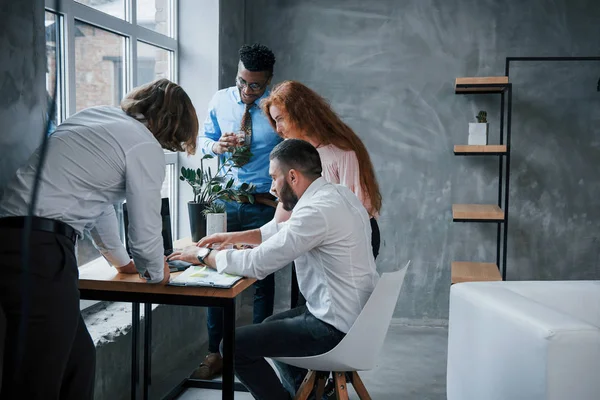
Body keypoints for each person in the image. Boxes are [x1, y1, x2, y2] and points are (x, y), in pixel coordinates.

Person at [0, 78, 199, 400]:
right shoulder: (142, 143)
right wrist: (155, 272)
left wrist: (122, 263)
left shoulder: (94, 117)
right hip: (41, 249)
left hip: (16, 240)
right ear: (172, 123)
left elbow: (100, 205)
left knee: (77, 362)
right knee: (39, 376)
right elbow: (144, 222)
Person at [168, 139, 380, 400]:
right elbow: (282, 232)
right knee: (270, 324)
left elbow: (257, 265)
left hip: (334, 329)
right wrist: (231, 237)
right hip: (357, 319)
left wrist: (202, 255)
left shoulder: (316, 211)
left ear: (293, 176)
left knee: (233, 346)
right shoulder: (338, 195)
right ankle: (305, 394)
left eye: (274, 178)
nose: (271, 188)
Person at [195, 43, 282, 379]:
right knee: (217, 276)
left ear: (269, 81)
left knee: (262, 279)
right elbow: (204, 139)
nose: (246, 91)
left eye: (255, 85)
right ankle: (213, 352)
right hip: (226, 201)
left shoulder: (277, 108)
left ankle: (260, 351)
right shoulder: (220, 100)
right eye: (241, 82)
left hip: (264, 204)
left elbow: (291, 147)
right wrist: (216, 147)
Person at [261, 80, 383, 259]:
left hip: (353, 239)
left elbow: (356, 211)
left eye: (280, 119)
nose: (277, 129)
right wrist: (255, 241)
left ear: (300, 113)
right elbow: (284, 213)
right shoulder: (291, 151)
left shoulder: (342, 152)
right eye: (274, 121)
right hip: (313, 237)